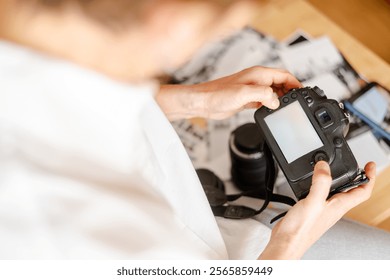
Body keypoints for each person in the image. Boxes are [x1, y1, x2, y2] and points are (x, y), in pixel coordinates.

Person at [0, 0, 386, 259]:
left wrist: (192, 100)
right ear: (169, 21)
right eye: (226, 23)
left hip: (205, 224)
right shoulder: (59, 232)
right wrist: (286, 247)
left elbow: (77, 105)